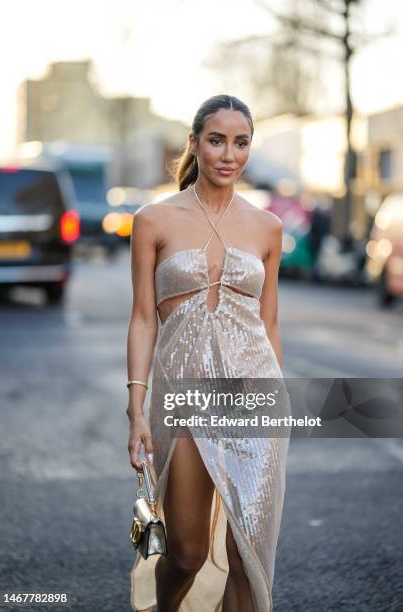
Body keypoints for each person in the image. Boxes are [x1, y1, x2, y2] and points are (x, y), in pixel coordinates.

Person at [126, 94, 289, 612]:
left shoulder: (267, 228)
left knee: (248, 555)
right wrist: (136, 408)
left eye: (241, 143)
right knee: (187, 552)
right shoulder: (154, 220)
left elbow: (270, 325)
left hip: (253, 396)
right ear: (195, 143)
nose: (228, 155)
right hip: (184, 398)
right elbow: (143, 318)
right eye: (216, 140)